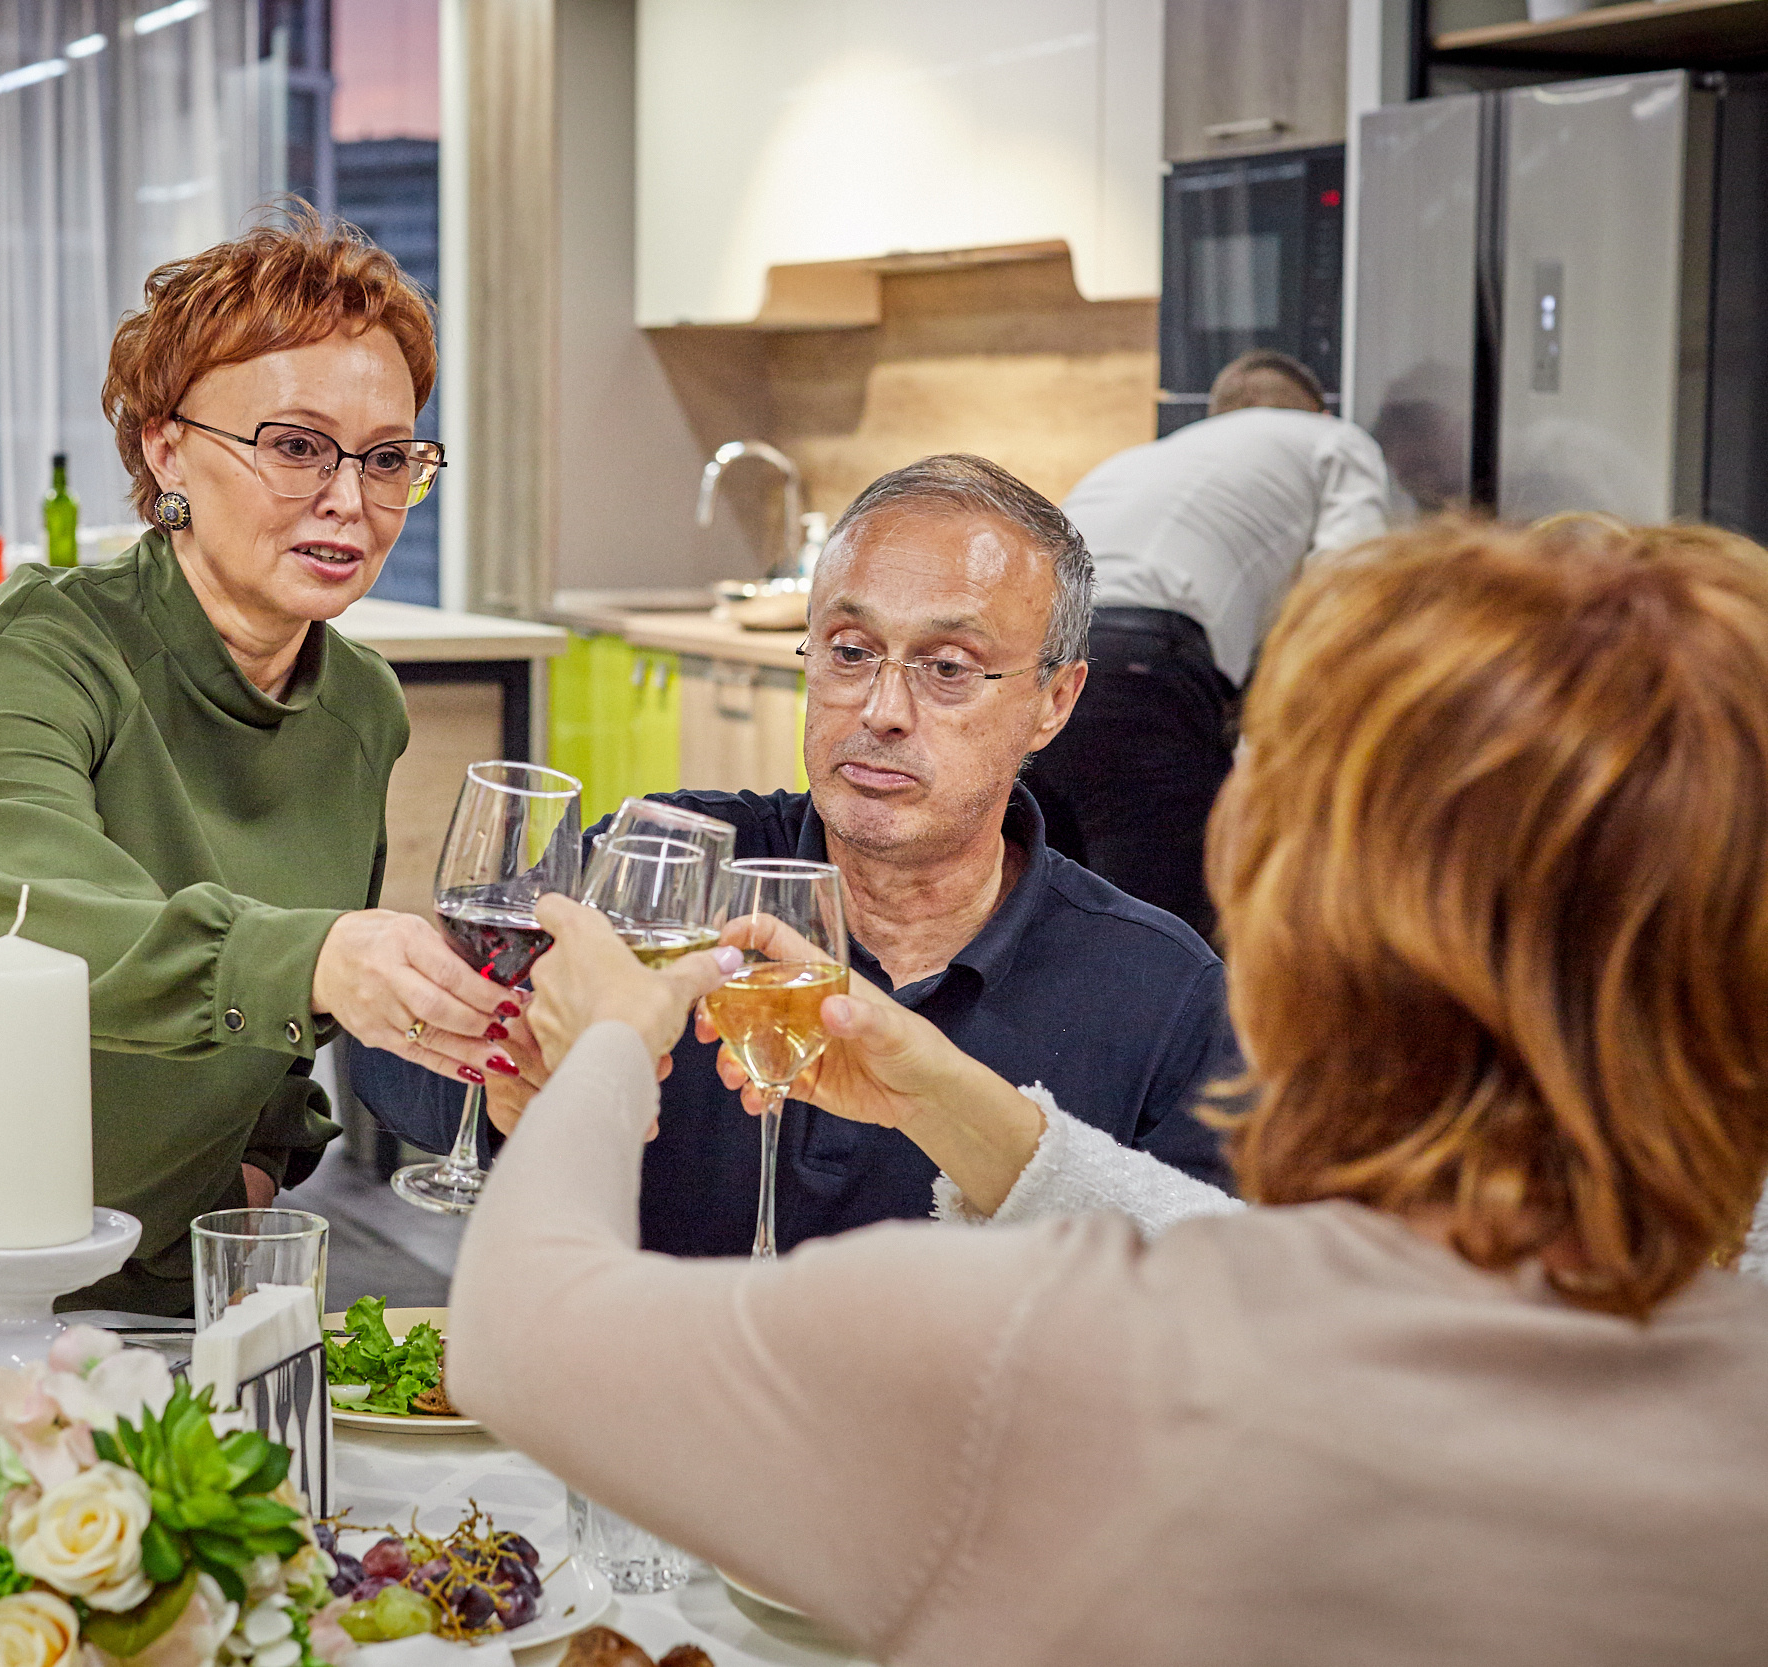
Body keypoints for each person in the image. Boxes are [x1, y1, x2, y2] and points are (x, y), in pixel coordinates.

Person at [449, 516, 1768, 1664]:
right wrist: (951, 1097)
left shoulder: (1058, 1354)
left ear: (1296, 909)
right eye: (850, 650)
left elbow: (523, 1334)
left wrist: (617, 1035)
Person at [0, 211, 525, 1337]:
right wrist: (316, 958)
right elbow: (50, 920)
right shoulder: (27, 654)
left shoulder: (358, 704)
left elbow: (284, 1016)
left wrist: (261, 1164)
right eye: (295, 444)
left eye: (386, 456)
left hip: (133, 1275)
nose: (349, 496)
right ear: (166, 446)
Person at [353, 455, 1236, 1258]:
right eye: (851, 652)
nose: (883, 708)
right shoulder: (663, 869)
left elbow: (1221, 1310)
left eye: (949, 667)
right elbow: (394, 1069)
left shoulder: (1159, 992)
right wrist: (508, 1071)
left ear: (1054, 699)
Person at [1024, 349, 1390, 936]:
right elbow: (1345, 589)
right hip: (1141, 666)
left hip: (1026, 666)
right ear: (1318, 412)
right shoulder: (1335, 442)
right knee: (1172, 939)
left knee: (1053, 922)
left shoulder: (1144, 460)